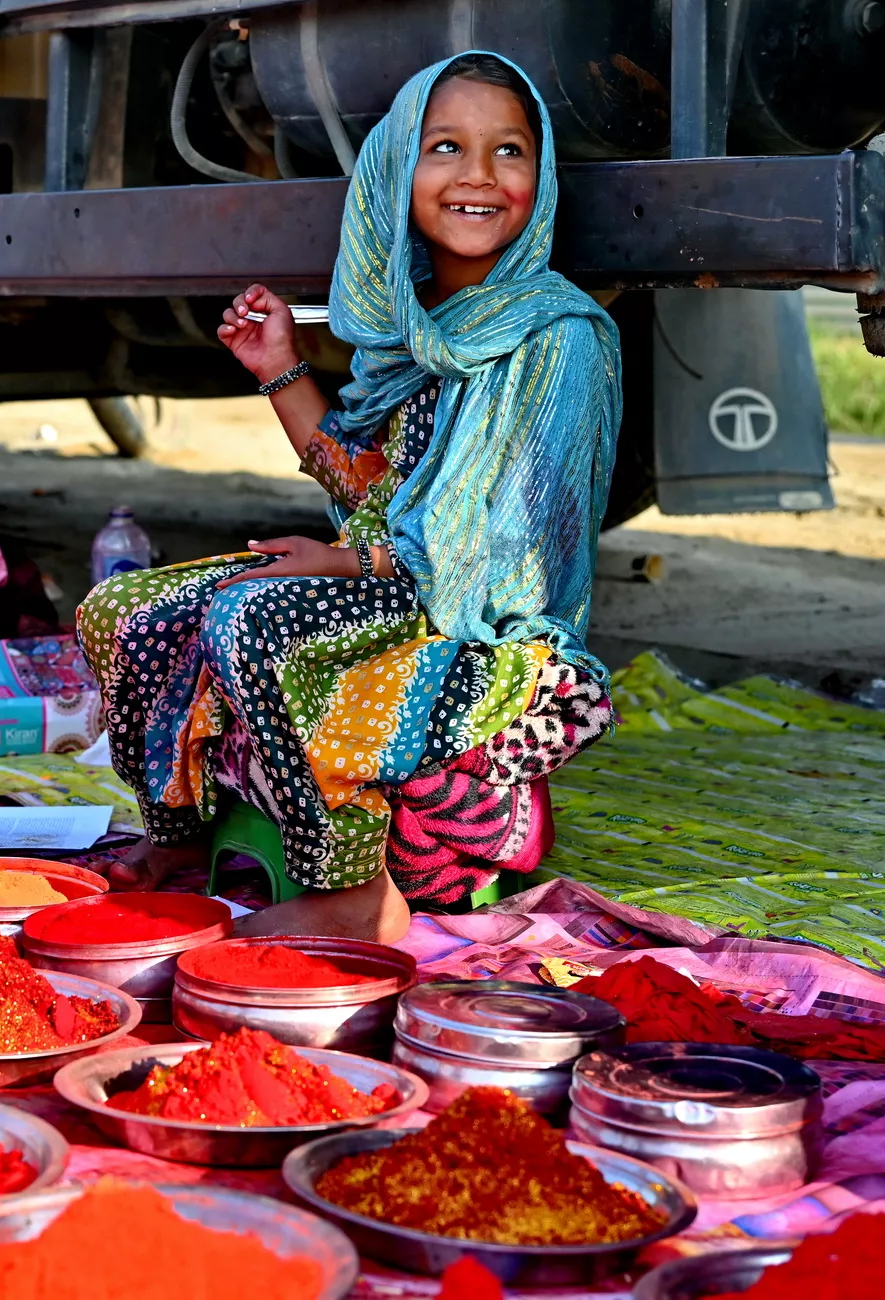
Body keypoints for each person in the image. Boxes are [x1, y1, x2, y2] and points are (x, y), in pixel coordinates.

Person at [76, 52, 621, 942]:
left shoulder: (557, 339)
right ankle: (179, 835)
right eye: (445, 148)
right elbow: (370, 490)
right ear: (394, 173)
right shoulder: (413, 328)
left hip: (485, 631)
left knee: (253, 621)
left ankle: (350, 889)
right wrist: (278, 369)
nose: (479, 177)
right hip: (392, 588)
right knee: (126, 611)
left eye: (510, 152)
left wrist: (348, 561)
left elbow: (511, 554)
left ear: (541, 173)